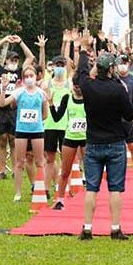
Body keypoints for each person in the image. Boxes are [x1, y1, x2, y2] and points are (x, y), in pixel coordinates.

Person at [75, 31, 133, 240]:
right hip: (115, 142)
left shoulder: (88, 86)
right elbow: (129, 115)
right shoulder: (118, 89)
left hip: (93, 142)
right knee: (115, 188)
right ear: (111, 69)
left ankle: (88, 227)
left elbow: (80, 72)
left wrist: (83, 49)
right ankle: (115, 227)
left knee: (91, 187)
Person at [0, 35, 36, 180]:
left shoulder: (20, 72)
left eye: (16, 60)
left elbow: (30, 56)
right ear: (6, 61)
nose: (13, 63)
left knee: (14, 139)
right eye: (11, 60)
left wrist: (20, 42)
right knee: (2, 139)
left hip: (15, 107)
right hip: (1, 106)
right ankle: (2, 170)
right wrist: (4, 41)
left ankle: (15, 169)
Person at [0, 66, 49, 202]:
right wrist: (3, 88)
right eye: (26, 76)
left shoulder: (40, 93)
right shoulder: (19, 92)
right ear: (23, 78)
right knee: (19, 162)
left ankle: (41, 189)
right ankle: (18, 192)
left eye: (31, 75)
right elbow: (3, 103)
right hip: (21, 131)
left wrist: (36, 121)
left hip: (37, 131)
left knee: (40, 161)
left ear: (35, 76)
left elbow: (45, 114)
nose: (29, 78)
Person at [51, 76, 86, 210]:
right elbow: (56, 117)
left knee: (91, 171)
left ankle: (91, 199)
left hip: (85, 138)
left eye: (80, 86)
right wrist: (50, 104)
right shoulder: (67, 98)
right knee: (65, 171)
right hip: (70, 137)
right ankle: (60, 200)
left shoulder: (89, 99)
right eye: (75, 86)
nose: (77, 88)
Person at [43, 56, 71, 196]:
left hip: (65, 126)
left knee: (66, 159)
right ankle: (46, 188)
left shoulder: (69, 84)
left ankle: (65, 187)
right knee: (49, 159)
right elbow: (42, 67)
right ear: (53, 66)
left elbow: (73, 66)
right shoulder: (47, 83)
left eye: (62, 65)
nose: (59, 67)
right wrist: (42, 49)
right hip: (49, 125)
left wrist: (71, 46)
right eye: (57, 64)